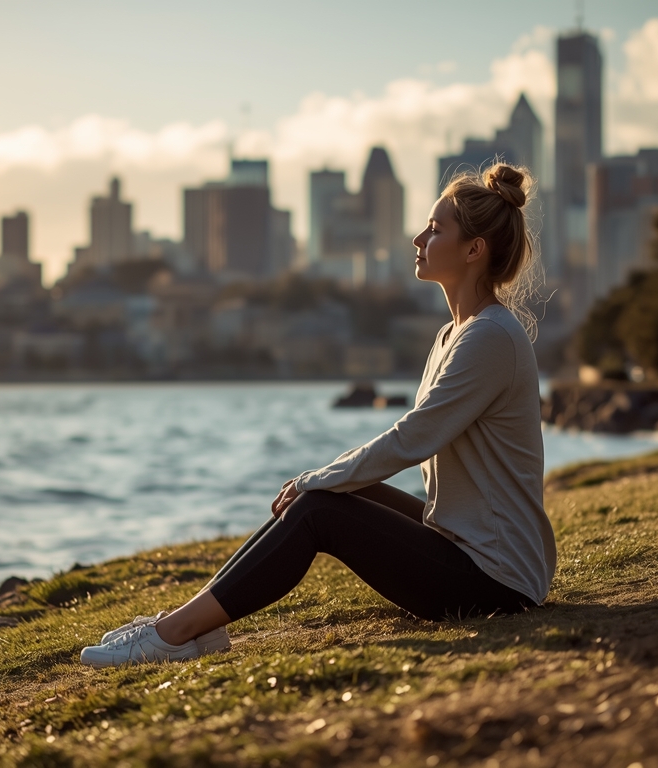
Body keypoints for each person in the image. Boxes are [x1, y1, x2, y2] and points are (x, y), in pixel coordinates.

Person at [80, 164, 555, 667]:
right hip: (467, 544)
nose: (418, 238)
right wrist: (321, 480)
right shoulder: (452, 334)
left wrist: (316, 479)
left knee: (317, 507)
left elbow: (412, 438)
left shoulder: (490, 337)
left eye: (436, 230)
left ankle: (172, 634)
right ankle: (195, 627)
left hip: (498, 580)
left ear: (474, 250)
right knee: (325, 493)